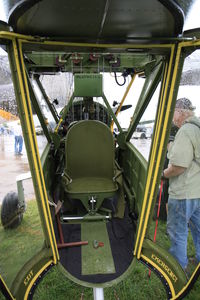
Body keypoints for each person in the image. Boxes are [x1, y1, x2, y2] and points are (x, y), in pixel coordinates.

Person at [162, 98, 200, 272]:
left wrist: (162, 175)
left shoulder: (185, 131)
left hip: (184, 192)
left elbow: (178, 166)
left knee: (178, 232)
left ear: (180, 112)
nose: (171, 118)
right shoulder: (197, 127)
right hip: (197, 191)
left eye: (173, 113)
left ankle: (178, 270)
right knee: (198, 229)